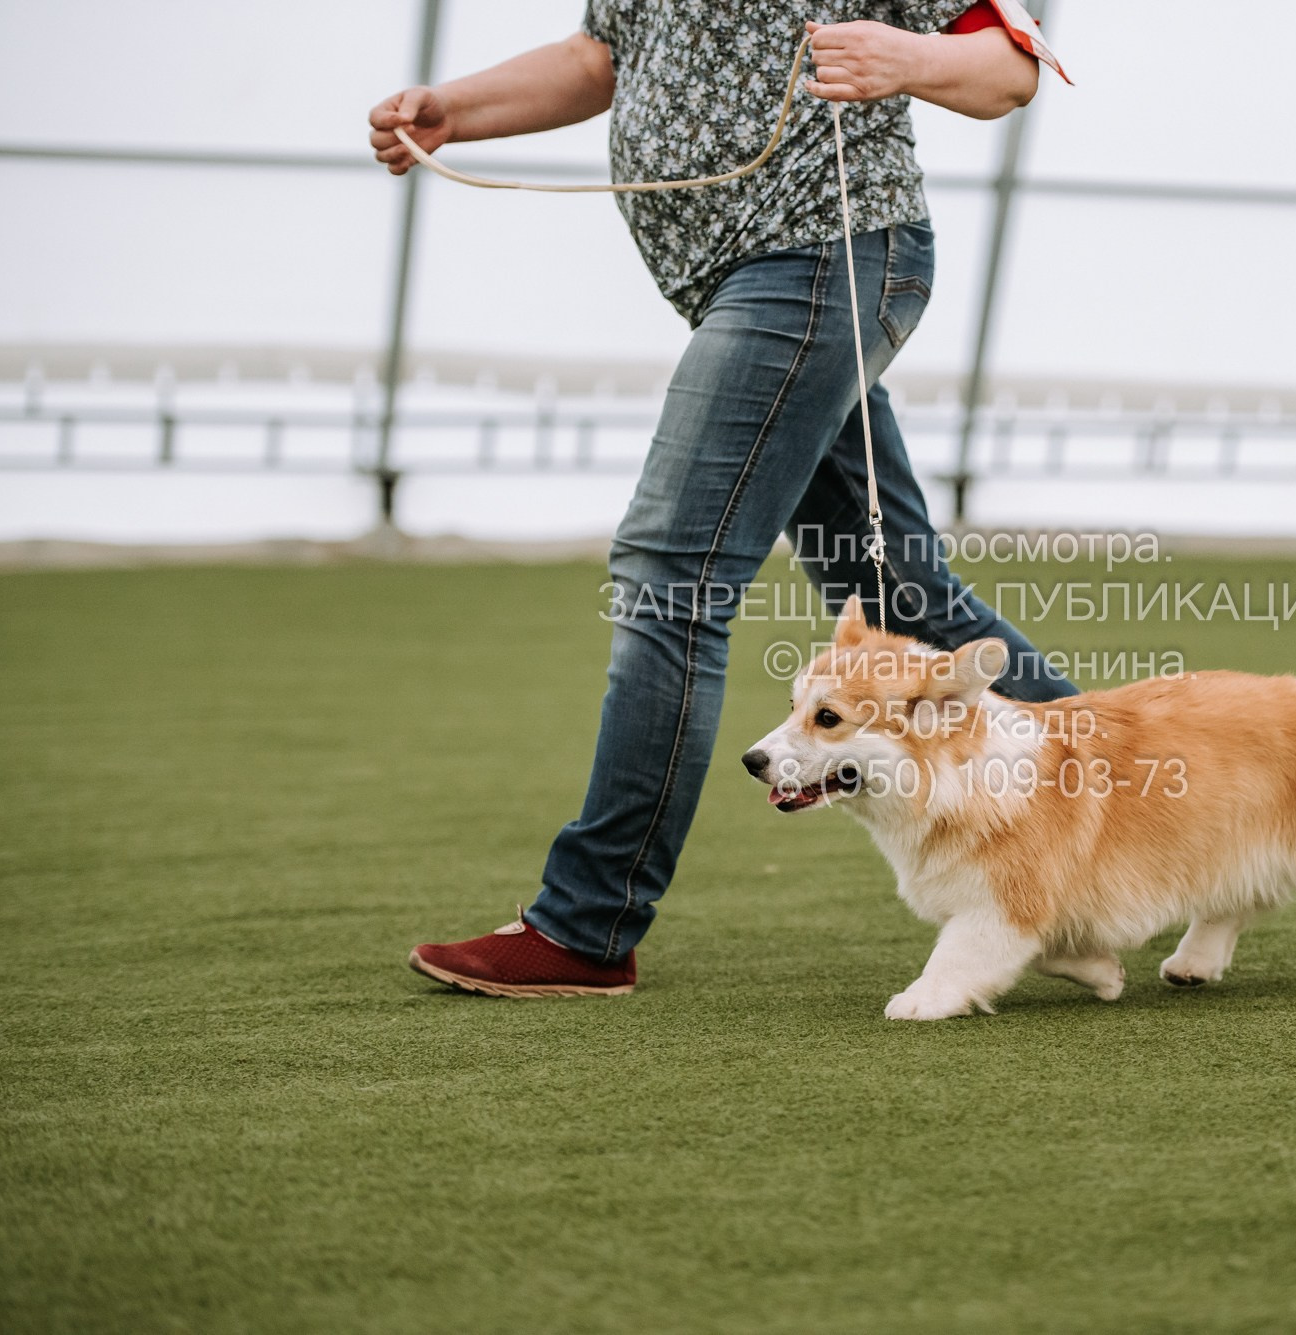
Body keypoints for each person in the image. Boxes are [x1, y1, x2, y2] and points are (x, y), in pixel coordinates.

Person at [369, 3, 1077, 997]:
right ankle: (1128, 791)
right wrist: (455, 108)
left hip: (821, 261)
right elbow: (598, 56)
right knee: (896, 593)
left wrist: (902, 57)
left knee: (671, 577)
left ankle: (586, 926)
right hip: (755, 279)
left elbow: (1008, 68)